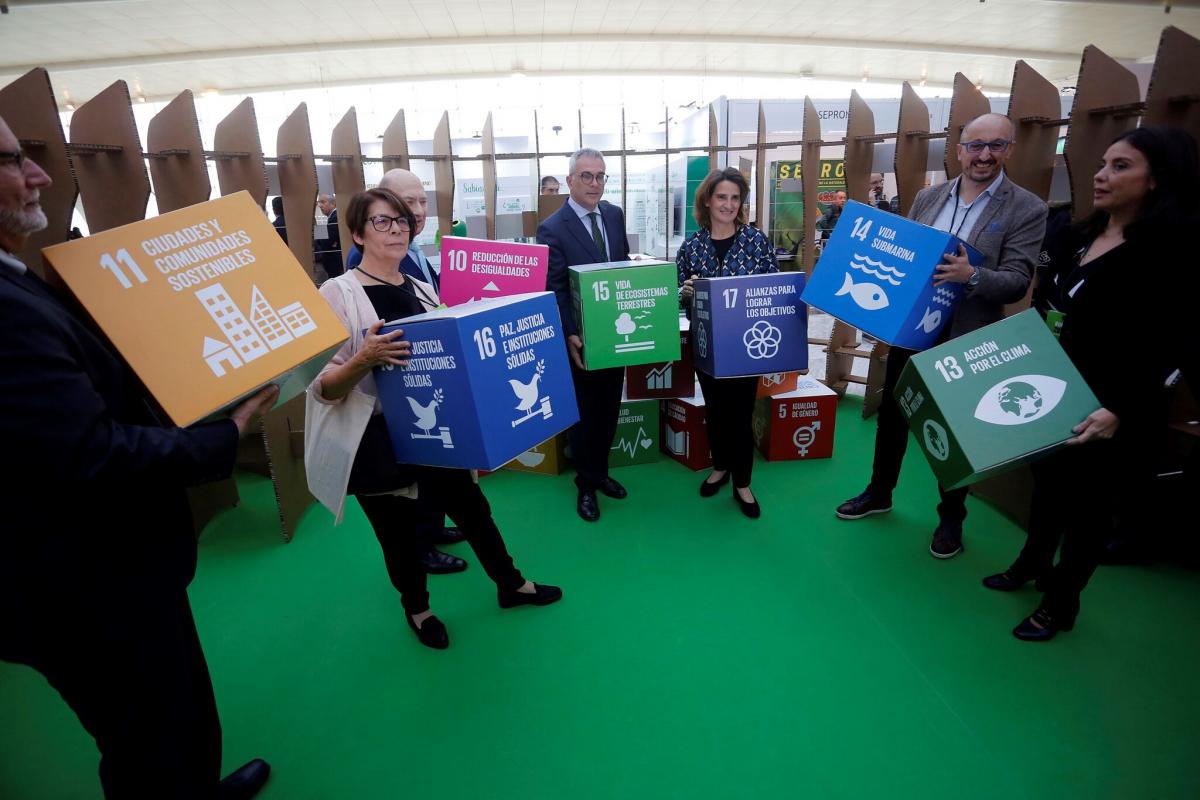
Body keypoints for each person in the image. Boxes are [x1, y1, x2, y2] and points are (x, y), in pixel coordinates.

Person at [0, 114, 276, 799]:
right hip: (83, 585)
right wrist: (226, 435)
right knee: (149, 741)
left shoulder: (20, 280)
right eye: (11, 161)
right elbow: (90, 452)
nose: (38, 175)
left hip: (118, 568)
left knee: (179, 717)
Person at [311, 188, 562, 649]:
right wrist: (364, 358)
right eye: (382, 222)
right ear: (356, 233)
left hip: (438, 435)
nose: (396, 230)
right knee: (399, 536)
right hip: (378, 439)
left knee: (473, 510)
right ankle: (418, 609)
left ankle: (512, 584)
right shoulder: (338, 293)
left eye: (402, 221)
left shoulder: (423, 289)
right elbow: (322, 387)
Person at [982, 126, 1200, 640]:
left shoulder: (1175, 253)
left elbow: (1180, 347)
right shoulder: (1074, 234)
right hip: (1052, 392)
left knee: (1089, 512)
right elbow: (1043, 305)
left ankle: (1062, 603)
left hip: (1113, 409)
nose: (1101, 176)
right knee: (1048, 491)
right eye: (1103, 163)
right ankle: (1031, 564)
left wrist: (1121, 407)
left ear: (1157, 180)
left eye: (1121, 166)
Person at [834, 112, 1047, 559]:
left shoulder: (1026, 207)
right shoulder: (928, 198)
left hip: (967, 336)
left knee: (956, 430)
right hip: (912, 331)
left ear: (1009, 150)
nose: (983, 155)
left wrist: (972, 276)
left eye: (995, 145)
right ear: (959, 149)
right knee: (893, 413)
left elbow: (1016, 281)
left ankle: (952, 519)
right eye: (975, 145)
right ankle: (879, 492)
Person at [345, 169, 467, 574]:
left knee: (439, 485)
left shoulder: (413, 263)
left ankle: (431, 531)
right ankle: (421, 550)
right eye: (397, 209)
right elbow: (330, 376)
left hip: (426, 403)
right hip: (385, 418)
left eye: (419, 204)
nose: (409, 217)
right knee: (401, 507)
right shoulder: (355, 278)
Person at [677, 167, 779, 518]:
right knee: (716, 411)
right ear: (707, 200)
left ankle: (742, 482)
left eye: (735, 198)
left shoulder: (756, 240)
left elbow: (772, 289)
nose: (729, 204)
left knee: (741, 413)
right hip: (705, 344)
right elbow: (678, 296)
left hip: (746, 345)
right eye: (722, 196)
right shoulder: (691, 246)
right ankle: (720, 466)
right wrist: (685, 292)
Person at [538, 147, 631, 522]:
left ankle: (601, 472)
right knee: (584, 414)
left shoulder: (613, 215)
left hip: (615, 333)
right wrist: (570, 334)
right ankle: (586, 485)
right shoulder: (552, 228)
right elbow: (555, 287)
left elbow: (622, 266)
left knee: (609, 408)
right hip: (581, 341)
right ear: (570, 181)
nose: (595, 183)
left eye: (600, 176)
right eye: (587, 176)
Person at [314, 192, 343, 279]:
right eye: (319, 202)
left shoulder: (336, 217)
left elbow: (325, 242)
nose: (319, 205)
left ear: (333, 203)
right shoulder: (332, 217)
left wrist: (317, 230)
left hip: (336, 265)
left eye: (323, 202)